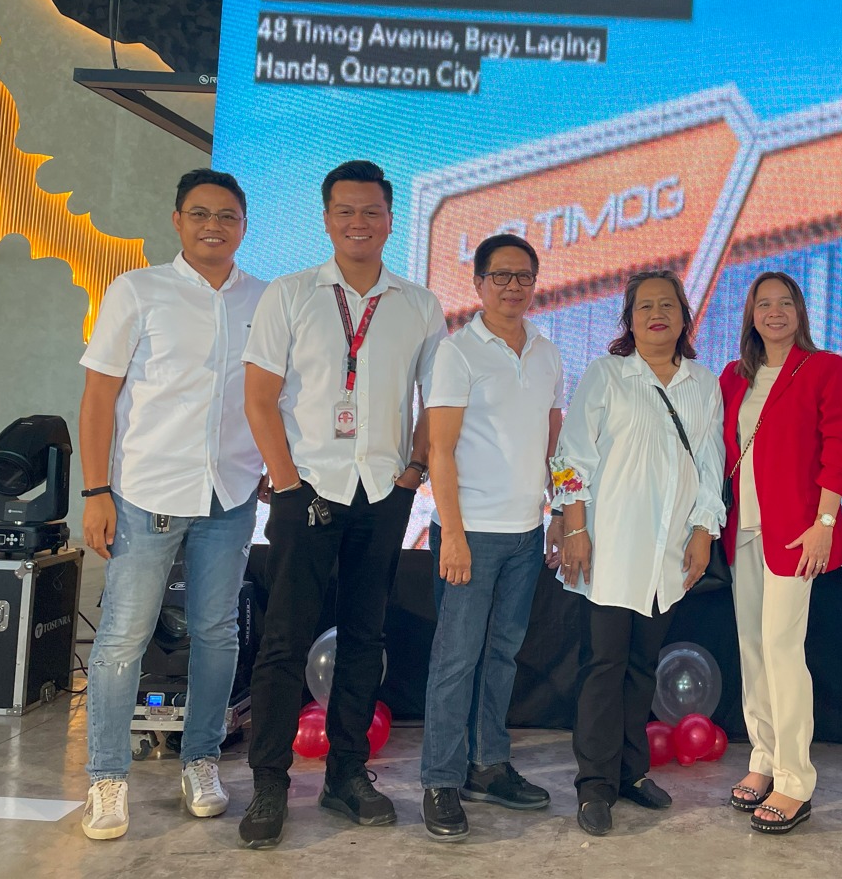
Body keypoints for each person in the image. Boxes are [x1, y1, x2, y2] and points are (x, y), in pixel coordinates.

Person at [238, 160, 445, 849]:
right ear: (326, 219)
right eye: (346, 211)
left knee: (365, 638)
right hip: (306, 489)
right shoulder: (291, 294)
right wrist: (286, 481)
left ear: (390, 219)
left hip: (383, 491)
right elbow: (259, 398)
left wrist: (413, 472)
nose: (359, 223)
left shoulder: (418, 304)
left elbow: (435, 399)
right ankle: (270, 781)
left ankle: (347, 775)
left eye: (372, 211)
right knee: (283, 640)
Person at [76, 170, 266, 840]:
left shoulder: (265, 299)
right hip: (145, 489)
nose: (214, 225)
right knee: (123, 636)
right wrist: (94, 491)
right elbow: (98, 398)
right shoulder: (138, 290)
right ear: (177, 219)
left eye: (227, 215)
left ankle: (201, 760)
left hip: (231, 491)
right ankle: (106, 777)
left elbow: (273, 396)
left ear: (244, 224)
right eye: (200, 213)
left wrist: (275, 466)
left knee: (217, 631)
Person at [550, 270, 725, 837]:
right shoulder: (607, 375)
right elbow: (571, 456)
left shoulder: (703, 382)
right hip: (609, 547)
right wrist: (575, 528)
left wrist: (703, 531)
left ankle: (630, 773)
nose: (657, 314)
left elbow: (711, 464)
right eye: (645, 306)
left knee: (642, 666)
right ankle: (594, 786)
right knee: (603, 666)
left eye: (667, 305)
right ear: (629, 319)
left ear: (684, 316)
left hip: (667, 554)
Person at [418, 233, 564, 841]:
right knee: (456, 661)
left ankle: (488, 765)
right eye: (500, 276)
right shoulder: (457, 353)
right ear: (478, 284)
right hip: (470, 534)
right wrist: (451, 534)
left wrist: (558, 512)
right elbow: (440, 451)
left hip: (526, 533)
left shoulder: (547, 352)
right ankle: (440, 780)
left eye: (523, 276)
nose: (513, 286)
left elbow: (554, 442)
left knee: (501, 656)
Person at [720, 272, 842, 835]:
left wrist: (826, 521)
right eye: (763, 304)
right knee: (752, 649)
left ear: (800, 311)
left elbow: (840, 448)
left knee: (781, 648)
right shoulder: (734, 376)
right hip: (743, 531)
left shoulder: (824, 368)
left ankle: (795, 779)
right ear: (751, 315)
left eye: (785, 303)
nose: (774, 312)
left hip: (797, 533)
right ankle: (763, 757)